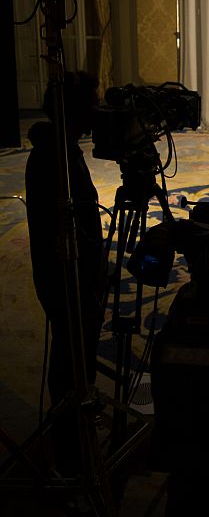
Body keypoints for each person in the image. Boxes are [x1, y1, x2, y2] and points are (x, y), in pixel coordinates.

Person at [25, 70, 107, 470]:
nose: (97, 113)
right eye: (91, 104)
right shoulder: (53, 158)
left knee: (75, 354)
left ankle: (74, 431)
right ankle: (71, 449)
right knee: (71, 357)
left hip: (72, 274)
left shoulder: (60, 149)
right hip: (66, 278)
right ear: (75, 111)